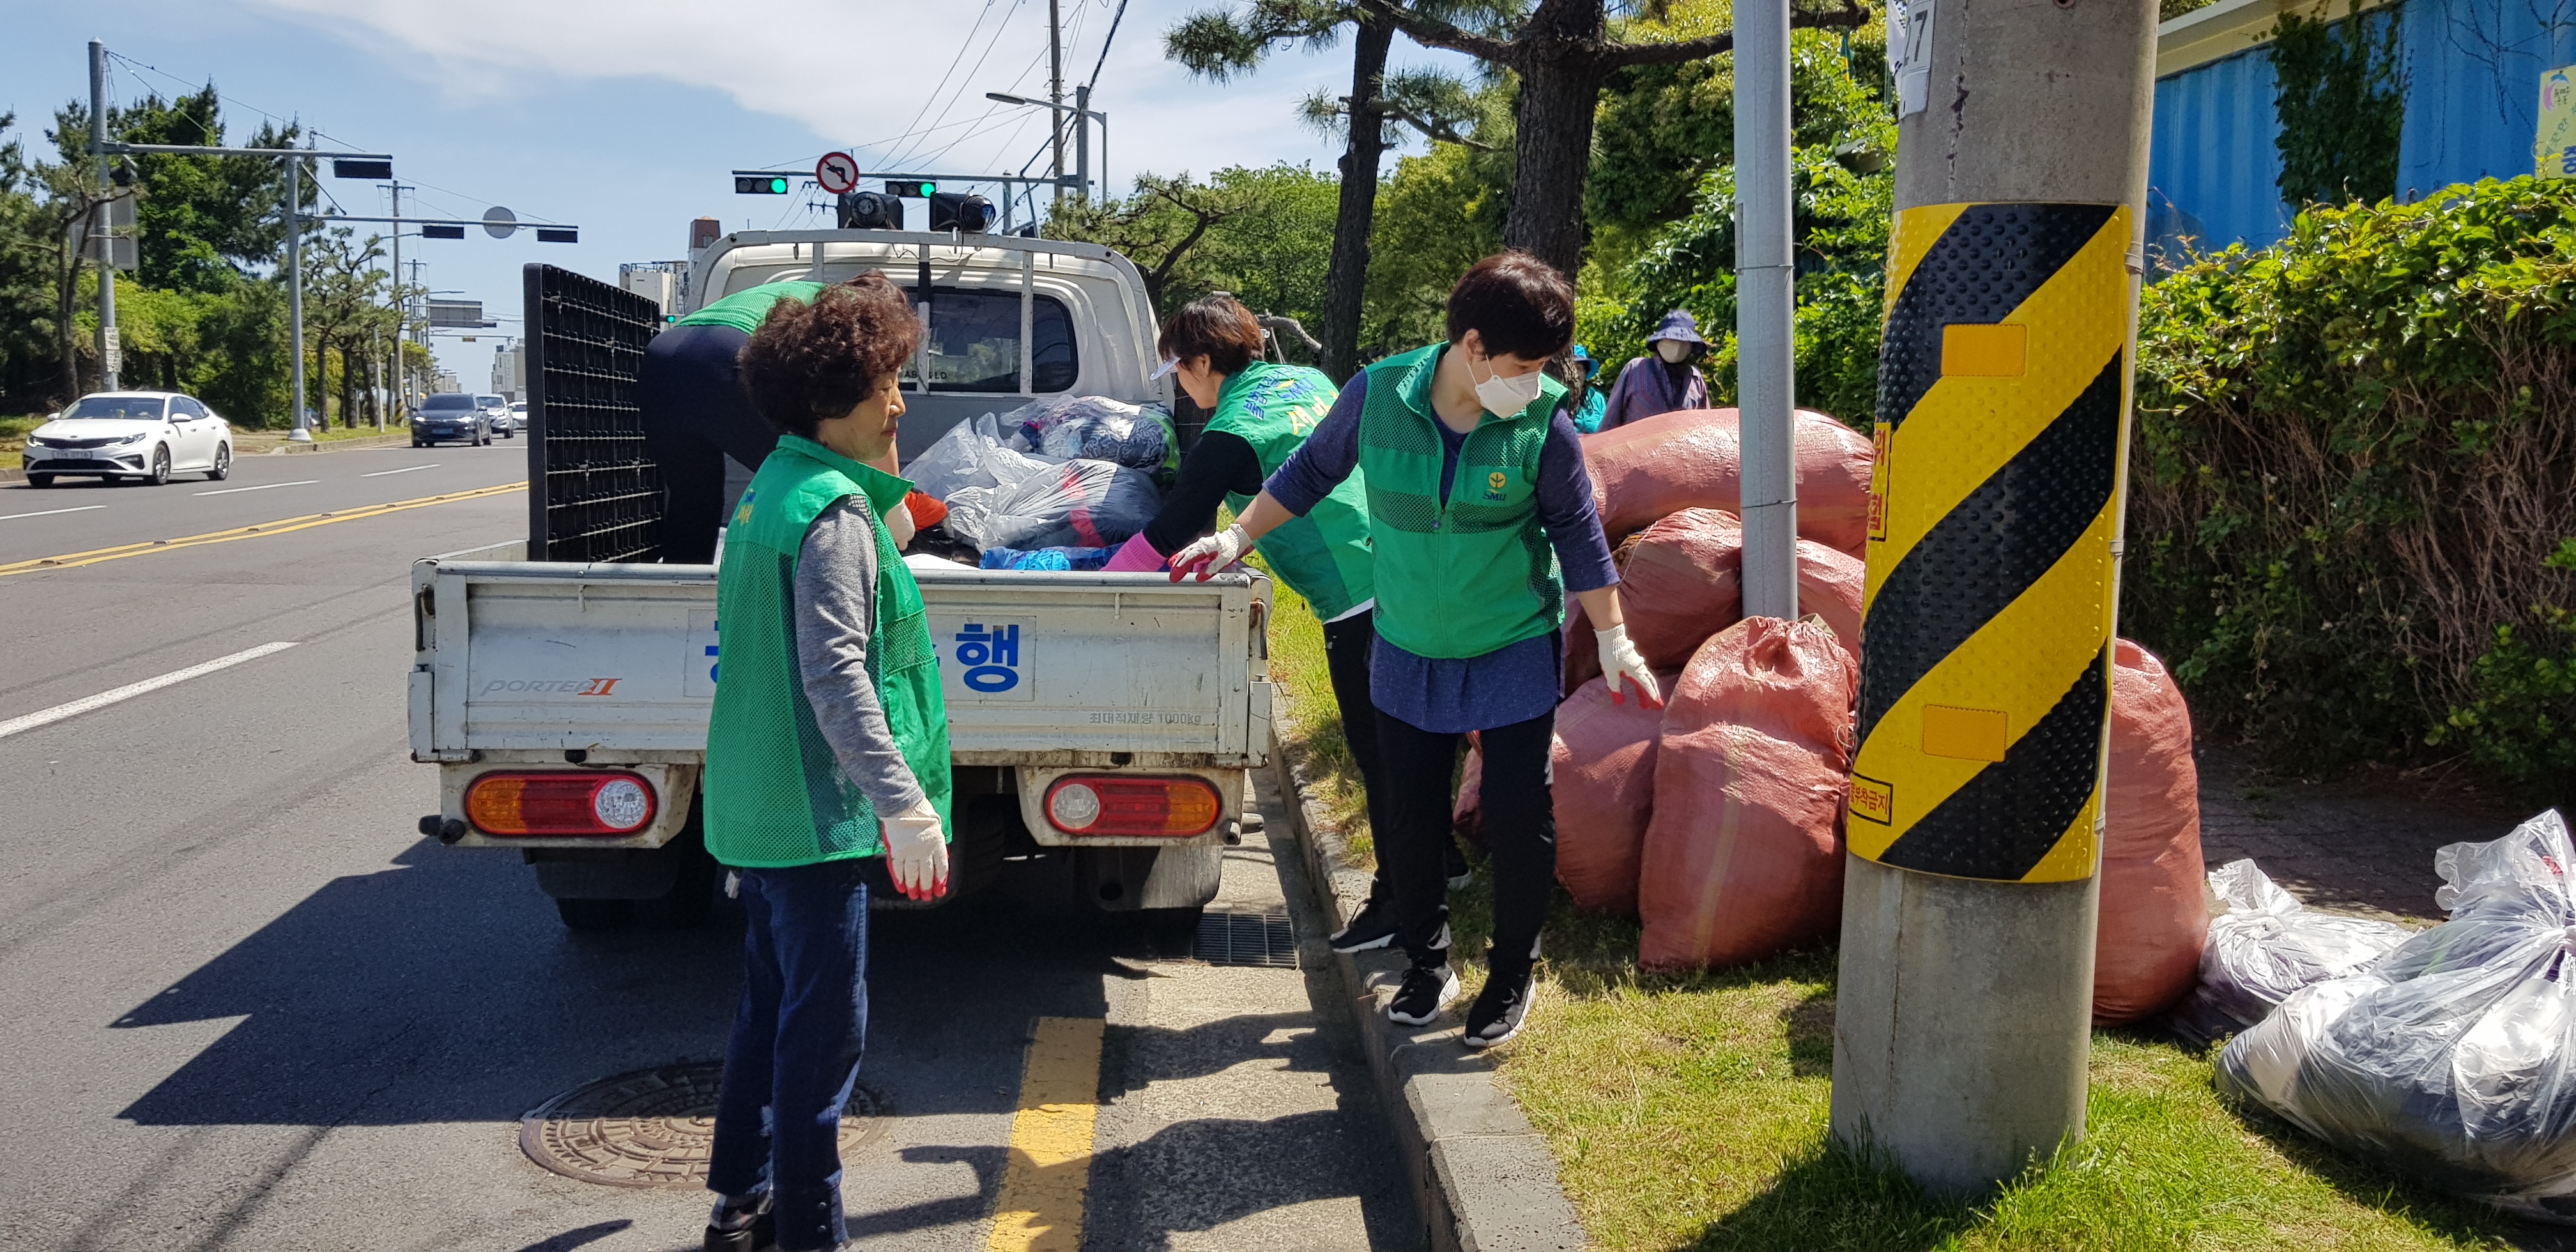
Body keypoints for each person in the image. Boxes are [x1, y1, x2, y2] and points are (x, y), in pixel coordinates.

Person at [1172, 254, 1662, 1050]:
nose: (1538, 382)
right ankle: (1429, 964)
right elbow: (1306, 473)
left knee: (1518, 815)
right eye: (1526, 365)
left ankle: (1511, 976)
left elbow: (1578, 537)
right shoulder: (1378, 395)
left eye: (1547, 367)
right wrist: (1234, 536)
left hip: (1509, 645)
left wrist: (1613, 638)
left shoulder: (1544, 425)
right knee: (1409, 812)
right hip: (1404, 645)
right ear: (1473, 347)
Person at [698, 273, 953, 1252]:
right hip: (816, 821)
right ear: (831, 402)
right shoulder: (832, 515)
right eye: (887, 383)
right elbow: (837, 677)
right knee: (822, 1043)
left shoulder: (775, 486)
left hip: (759, 810)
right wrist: (904, 805)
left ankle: (741, 1195)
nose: (900, 400)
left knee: (767, 1011)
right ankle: (811, 1233)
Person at [1132, 294, 1471, 923]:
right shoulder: (1308, 381)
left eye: (1178, 369)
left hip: (1362, 601)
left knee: (1380, 753)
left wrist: (1099, 578)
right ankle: (1444, 860)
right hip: (1423, 566)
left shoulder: (1231, 433)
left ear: (1202, 362)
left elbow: (1170, 529)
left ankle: (1405, 899)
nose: (1179, 384)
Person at [640, 276, 912, 564]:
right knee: (809, 479)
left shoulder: (808, 292)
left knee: (693, 497)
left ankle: (681, 595)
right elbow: (879, 419)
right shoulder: (854, 315)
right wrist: (895, 510)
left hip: (663, 355)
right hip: (730, 354)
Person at [1600, 309, 1710, 430]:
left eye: (1684, 342)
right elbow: (1610, 422)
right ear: (1659, 342)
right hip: (1638, 448)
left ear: (1691, 347)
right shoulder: (1636, 369)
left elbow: (1704, 427)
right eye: (1672, 340)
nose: (1678, 347)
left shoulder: (1696, 379)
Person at [1558, 345, 1607, 434]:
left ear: (1586, 372)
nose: (1575, 372)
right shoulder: (1559, 397)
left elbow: (1606, 430)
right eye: (1572, 367)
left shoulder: (1597, 399)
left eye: (1579, 368)